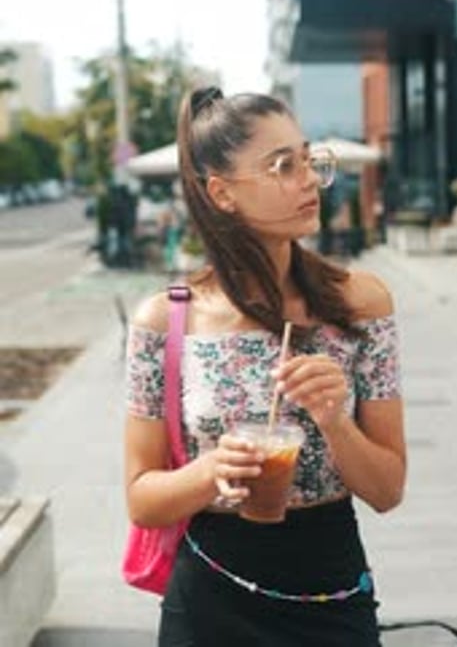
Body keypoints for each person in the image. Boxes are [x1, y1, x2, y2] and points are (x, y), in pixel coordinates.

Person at [124, 87, 406, 647]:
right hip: (208, 598)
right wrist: (212, 470)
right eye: (283, 166)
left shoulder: (362, 305)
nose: (308, 180)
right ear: (222, 193)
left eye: (308, 160)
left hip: (330, 591)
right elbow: (142, 498)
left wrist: (334, 419)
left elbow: (386, 489)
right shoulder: (164, 321)